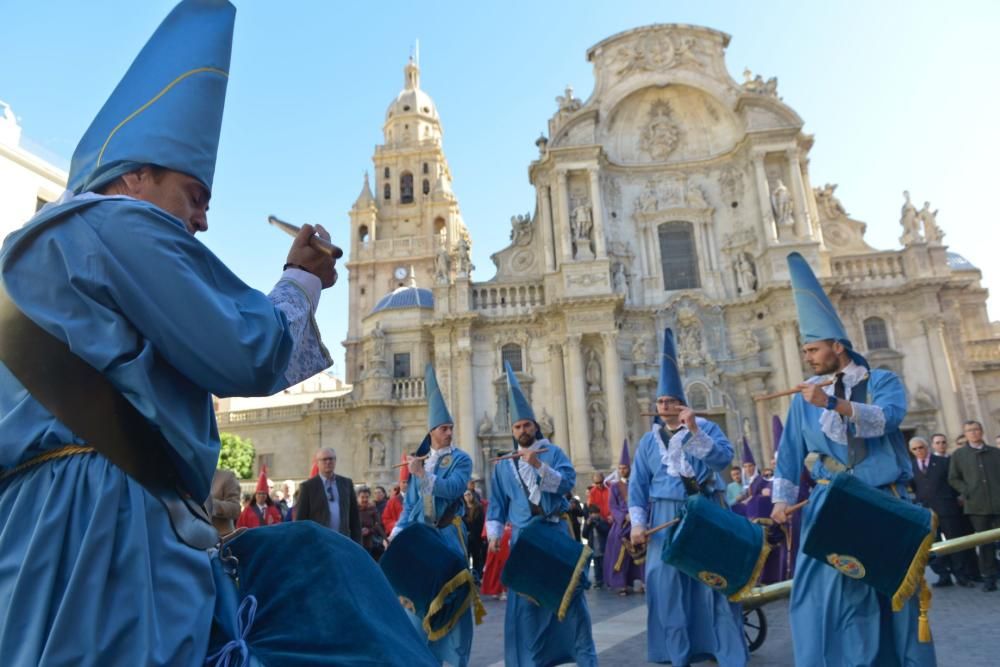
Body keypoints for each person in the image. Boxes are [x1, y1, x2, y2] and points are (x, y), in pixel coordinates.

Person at [0, 3, 339, 663]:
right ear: (135, 174)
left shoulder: (29, 252)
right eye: (194, 194)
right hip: (106, 521)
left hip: (29, 518)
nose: (203, 220)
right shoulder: (120, 221)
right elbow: (245, 350)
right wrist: (300, 279)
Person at [770, 252, 936, 665]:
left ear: (837, 348)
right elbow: (791, 452)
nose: (808, 356)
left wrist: (832, 403)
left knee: (892, 594)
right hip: (832, 506)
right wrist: (779, 500)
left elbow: (890, 418)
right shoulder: (805, 396)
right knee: (822, 598)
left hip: (884, 500)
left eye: (813, 349)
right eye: (806, 350)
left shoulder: (881, 380)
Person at [629, 328, 746, 666]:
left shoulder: (706, 429)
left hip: (705, 512)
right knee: (665, 585)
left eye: (670, 402)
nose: (664, 406)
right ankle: (675, 652)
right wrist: (638, 524)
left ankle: (723, 651)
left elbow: (723, 460)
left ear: (683, 404)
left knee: (714, 582)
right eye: (660, 402)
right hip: (663, 517)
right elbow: (637, 485)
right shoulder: (648, 442)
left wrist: (694, 430)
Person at [486, 362, 597, 667]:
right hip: (523, 539)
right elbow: (496, 505)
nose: (523, 430)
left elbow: (566, 483)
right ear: (512, 430)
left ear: (535, 426)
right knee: (527, 605)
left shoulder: (553, 453)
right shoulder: (503, 466)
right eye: (518, 427)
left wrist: (537, 465)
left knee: (571, 598)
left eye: (527, 425)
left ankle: (584, 657)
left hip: (554, 533)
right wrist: (494, 536)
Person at [390, 364, 477, 666]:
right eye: (444, 428)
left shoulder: (461, 459)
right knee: (416, 602)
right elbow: (411, 504)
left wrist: (422, 475)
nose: (449, 432)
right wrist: (398, 531)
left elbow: (453, 489)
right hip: (420, 539)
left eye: (451, 427)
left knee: (453, 602)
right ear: (431, 432)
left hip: (448, 537)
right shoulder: (420, 462)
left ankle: (455, 660)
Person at [909, 437, 975, 587]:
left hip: (947, 508)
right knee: (934, 545)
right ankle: (943, 575)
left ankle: (961, 575)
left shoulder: (943, 462)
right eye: (915, 449)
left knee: (954, 542)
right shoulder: (910, 467)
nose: (919, 451)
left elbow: (952, 481)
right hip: (927, 512)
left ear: (927, 447)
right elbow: (914, 487)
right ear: (911, 451)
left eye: (921, 447)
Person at [948, 420, 1000, 592]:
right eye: (969, 430)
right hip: (977, 507)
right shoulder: (959, 455)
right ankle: (989, 577)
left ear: (982, 431)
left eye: (976, 429)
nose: (973, 433)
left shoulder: (995, 453)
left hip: (998, 504)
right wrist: (967, 491)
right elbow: (953, 478)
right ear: (966, 434)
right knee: (985, 544)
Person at [295, 447, 361, 544]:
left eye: (331, 459)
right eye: (324, 459)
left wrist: (358, 544)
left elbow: (354, 517)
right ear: (317, 463)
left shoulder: (346, 483)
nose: (328, 462)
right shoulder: (308, 487)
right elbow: (301, 520)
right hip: (319, 542)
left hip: (343, 540)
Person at [605, 441, 645, 596]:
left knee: (642, 553)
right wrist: (623, 516)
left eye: (625, 468)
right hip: (621, 525)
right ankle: (620, 584)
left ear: (630, 468)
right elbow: (612, 506)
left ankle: (642, 582)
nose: (623, 470)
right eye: (620, 468)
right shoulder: (614, 487)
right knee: (618, 552)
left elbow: (644, 501)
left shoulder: (637, 484)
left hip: (637, 522)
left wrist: (637, 515)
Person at [481, 523, 513, 600]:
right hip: (500, 538)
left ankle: (500, 590)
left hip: (502, 538)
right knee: (498, 566)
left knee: (499, 566)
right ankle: (500, 590)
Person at [582, 503, 610, 590]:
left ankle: (607, 581)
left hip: (603, 547)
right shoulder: (589, 523)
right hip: (593, 547)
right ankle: (598, 581)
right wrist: (587, 524)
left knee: (604, 565)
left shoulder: (602, 521)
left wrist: (597, 524)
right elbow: (584, 534)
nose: (594, 515)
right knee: (596, 566)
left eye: (596, 513)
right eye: (592, 513)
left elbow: (606, 531)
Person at [207, 467, 241, 535]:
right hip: (189, 538)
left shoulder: (226, 476)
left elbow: (236, 509)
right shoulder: (187, 476)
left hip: (221, 539)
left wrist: (210, 504)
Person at [463, 489, 487, 583]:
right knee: (467, 557)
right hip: (466, 537)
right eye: (466, 495)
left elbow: (480, 522)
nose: (468, 497)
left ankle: (478, 577)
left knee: (477, 557)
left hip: (476, 537)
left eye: (469, 494)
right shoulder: (463, 509)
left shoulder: (478, 507)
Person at [357, 486, 386, 560]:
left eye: (367, 497)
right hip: (356, 543)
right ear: (357, 498)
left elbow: (378, 525)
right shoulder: (353, 509)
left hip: (369, 543)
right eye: (362, 497)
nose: (365, 499)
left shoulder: (372, 509)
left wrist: (369, 530)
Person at [383, 467, 407, 536]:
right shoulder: (392, 501)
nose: (406, 484)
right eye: (404, 482)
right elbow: (386, 519)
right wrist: (396, 525)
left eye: (408, 482)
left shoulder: (416, 499)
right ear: (399, 483)